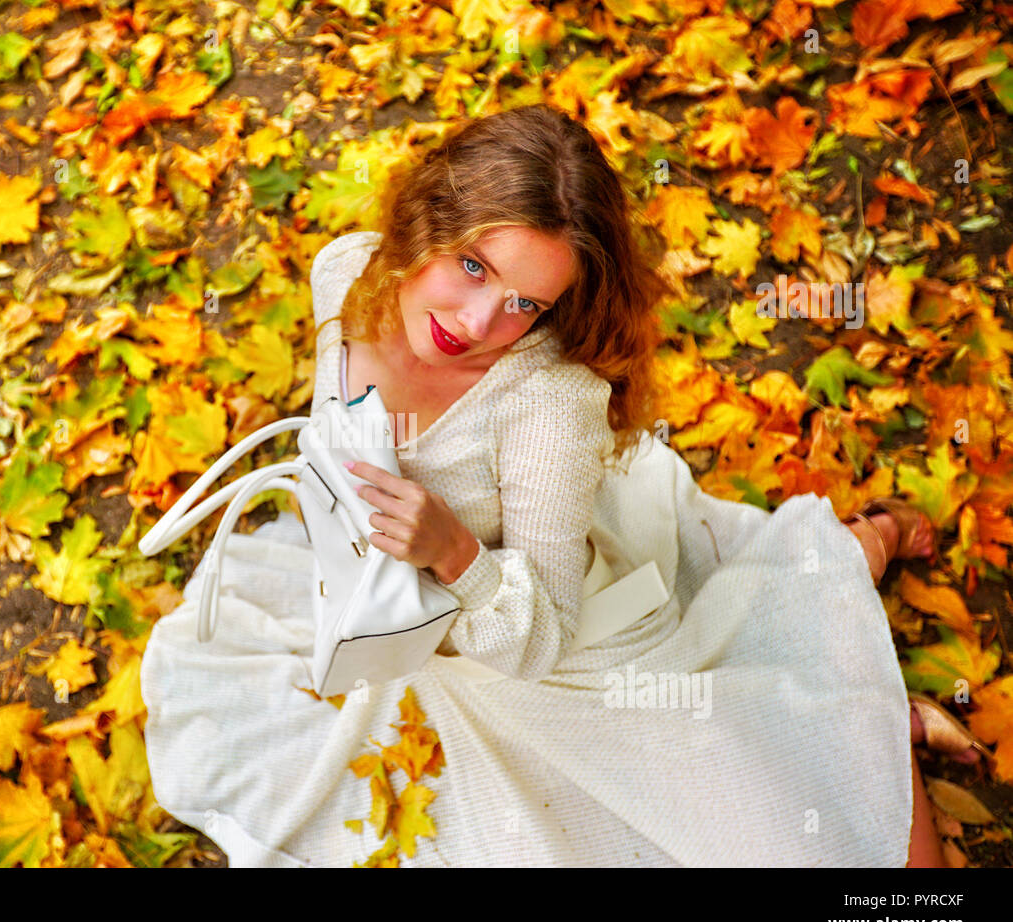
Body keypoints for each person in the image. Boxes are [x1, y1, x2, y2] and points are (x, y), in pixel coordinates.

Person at [138, 104, 988, 867]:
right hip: (387, 608)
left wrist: (456, 552)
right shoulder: (348, 275)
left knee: (780, 833)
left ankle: (865, 698)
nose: (477, 325)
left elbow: (541, 634)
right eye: (472, 265)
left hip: (544, 639)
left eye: (524, 306)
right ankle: (856, 567)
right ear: (431, 215)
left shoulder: (550, 405)